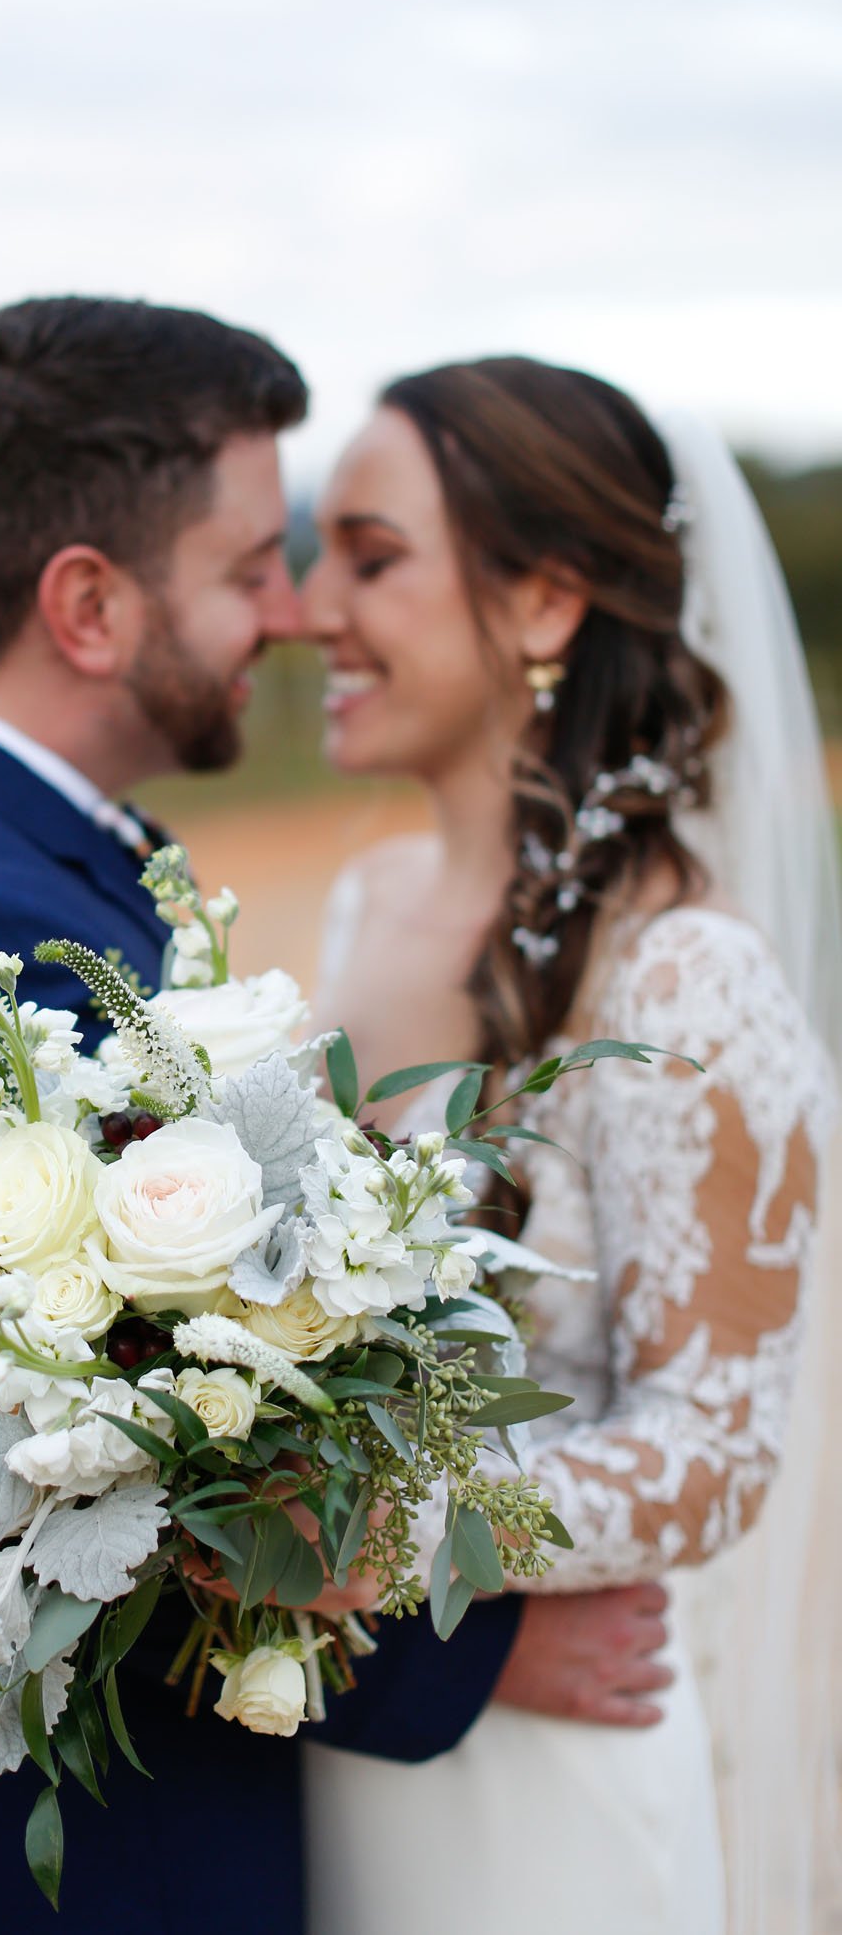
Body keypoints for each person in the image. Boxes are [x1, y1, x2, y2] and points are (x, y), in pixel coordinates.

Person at [0, 302, 673, 1935]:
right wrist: (486, 1648)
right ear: (87, 603)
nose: (290, 615)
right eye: (249, 569)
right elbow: (37, 1464)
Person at [299, 356, 840, 1935]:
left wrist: (363, 1539)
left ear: (545, 605)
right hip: (324, 1732)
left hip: (539, 1796)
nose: (310, 608)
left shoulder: (688, 980)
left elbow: (713, 1455)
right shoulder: (363, 907)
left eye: (372, 556)